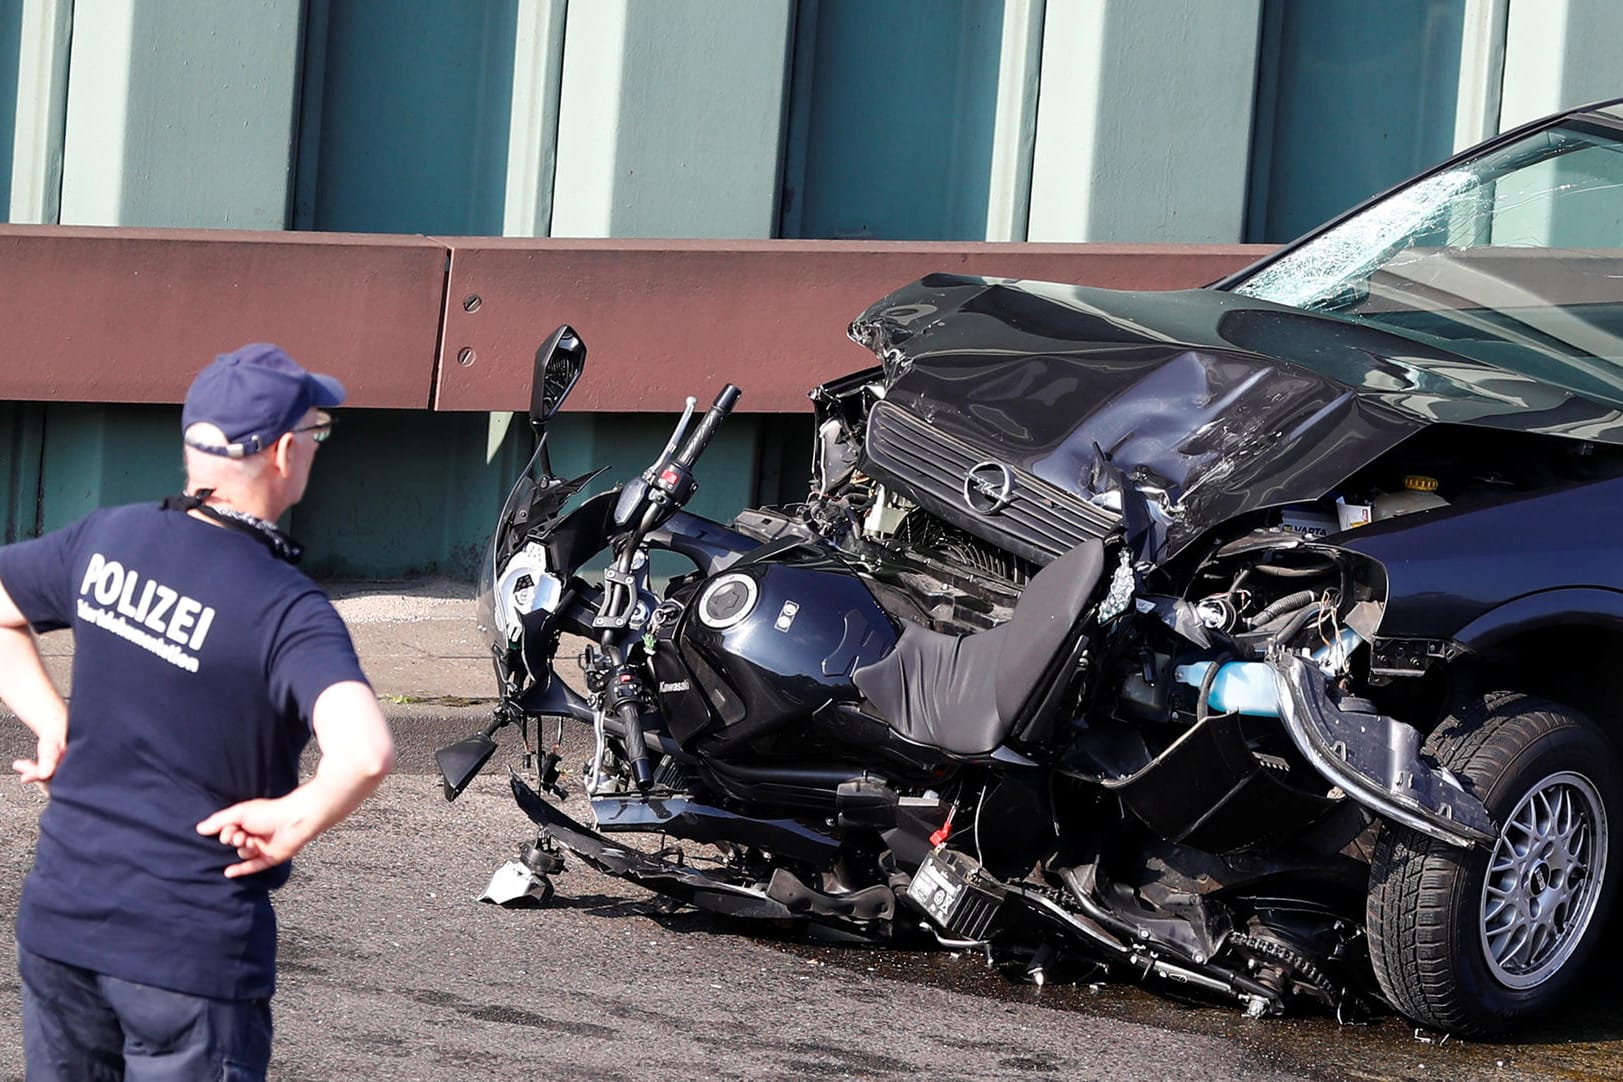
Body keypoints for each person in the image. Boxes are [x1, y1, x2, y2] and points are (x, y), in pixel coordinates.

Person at [0, 343, 395, 1080]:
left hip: (61, 921)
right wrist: (299, 816)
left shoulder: (106, 536)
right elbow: (366, 752)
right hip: (186, 953)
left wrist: (53, 722)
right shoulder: (287, 609)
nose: (315, 448)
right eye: (318, 432)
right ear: (283, 452)